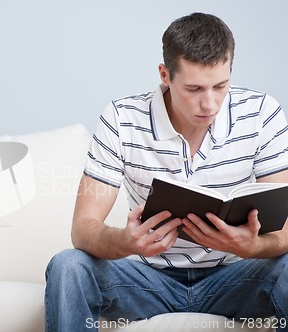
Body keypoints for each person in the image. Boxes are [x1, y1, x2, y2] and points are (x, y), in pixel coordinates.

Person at [45, 12, 288, 332]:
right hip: (146, 283)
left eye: (220, 86)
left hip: (235, 279)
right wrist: (126, 241)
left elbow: (284, 232)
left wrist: (252, 247)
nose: (210, 104)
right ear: (165, 75)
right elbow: (83, 229)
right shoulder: (121, 119)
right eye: (194, 88)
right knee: (67, 265)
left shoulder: (260, 114)